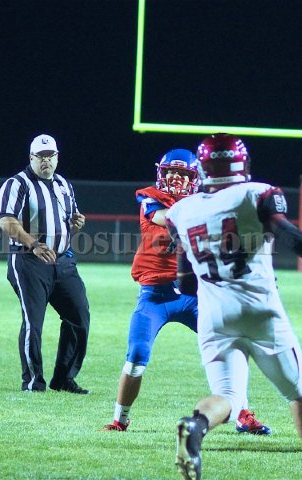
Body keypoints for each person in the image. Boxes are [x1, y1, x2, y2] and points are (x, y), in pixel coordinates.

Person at [166, 133, 302, 480]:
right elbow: (296, 241)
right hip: (260, 311)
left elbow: (185, 283)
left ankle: (195, 426)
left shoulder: (180, 211)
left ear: (203, 167)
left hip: (214, 316)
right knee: (299, 392)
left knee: (228, 397)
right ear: (241, 163)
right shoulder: (257, 193)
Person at [103, 149, 270, 436]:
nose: (176, 178)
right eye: (171, 172)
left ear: (195, 178)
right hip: (155, 295)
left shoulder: (203, 202)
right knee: (137, 355)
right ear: (161, 173)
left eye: (183, 174)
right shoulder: (151, 198)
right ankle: (120, 419)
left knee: (231, 345)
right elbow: (166, 218)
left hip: (194, 295)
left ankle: (242, 414)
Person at [0, 134, 90, 394]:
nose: (46, 161)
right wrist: (33, 244)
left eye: (50, 156)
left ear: (57, 157)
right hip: (28, 261)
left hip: (63, 261)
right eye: (41, 156)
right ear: (31, 158)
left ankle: (64, 378)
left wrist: (76, 224)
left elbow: (67, 220)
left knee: (79, 316)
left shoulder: (63, 184)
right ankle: (33, 382)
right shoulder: (17, 183)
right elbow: (6, 222)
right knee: (33, 322)